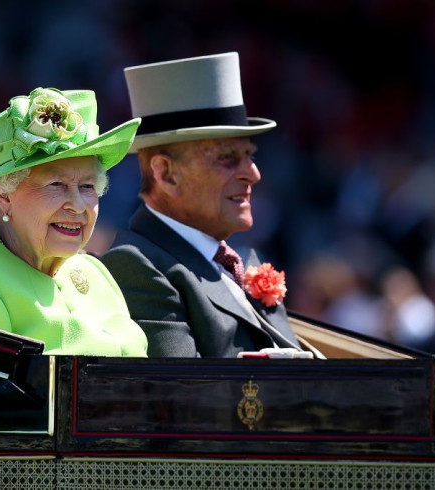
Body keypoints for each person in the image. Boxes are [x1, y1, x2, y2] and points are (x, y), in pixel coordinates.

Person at [101, 53, 303, 358]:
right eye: (227, 158)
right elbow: (184, 396)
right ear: (167, 174)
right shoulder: (138, 265)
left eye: (250, 155)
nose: (253, 173)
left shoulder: (238, 261)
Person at [0, 87, 147, 356]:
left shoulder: (93, 270)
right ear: (3, 195)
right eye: (56, 184)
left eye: (87, 186)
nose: (77, 206)